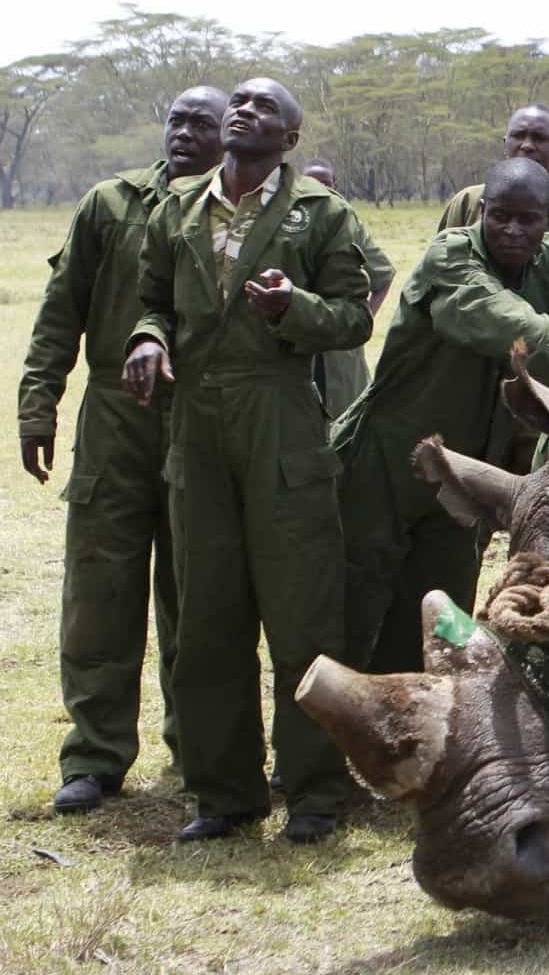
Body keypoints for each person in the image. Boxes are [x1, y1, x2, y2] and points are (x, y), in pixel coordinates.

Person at [124, 77, 373, 844]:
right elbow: (151, 301)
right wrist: (148, 339)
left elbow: (355, 316)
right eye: (239, 101)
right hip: (195, 422)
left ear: (290, 138)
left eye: (265, 108)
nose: (244, 111)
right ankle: (225, 795)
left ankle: (316, 793)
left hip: (281, 416)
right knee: (206, 615)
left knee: (301, 614)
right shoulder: (178, 206)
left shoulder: (322, 215)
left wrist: (292, 308)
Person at [336, 158, 549, 674]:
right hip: (387, 459)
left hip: (466, 467)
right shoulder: (452, 256)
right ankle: (324, 740)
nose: (513, 230)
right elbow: (504, 318)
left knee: (442, 603)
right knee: (354, 601)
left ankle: (421, 722)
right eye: (500, 216)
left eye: (528, 219)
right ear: (483, 210)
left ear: (547, 220)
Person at [18, 85, 225, 815]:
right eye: (176, 119)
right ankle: (95, 756)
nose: (186, 133)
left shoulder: (235, 212)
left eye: (203, 123)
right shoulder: (110, 203)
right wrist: (38, 401)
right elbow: (59, 308)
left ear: (229, 134)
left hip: (200, 415)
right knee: (100, 587)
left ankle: (199, 751)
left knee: (194, 592)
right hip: (113, 413)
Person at [436, 103, 549, 289]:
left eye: (539, 138)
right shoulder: (467, 202)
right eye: (518, 136)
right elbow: (442, 272)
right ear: (505, 143)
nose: (527, 145)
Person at [300, 158, 395, 418]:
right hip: (301, 340)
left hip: (340, 348)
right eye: (312, 184)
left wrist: (364, 317)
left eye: (327, 185)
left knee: (345, 415)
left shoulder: (347, 223)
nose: (321, 192)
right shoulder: (291, 224)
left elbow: (384, 275)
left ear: (336, 187)